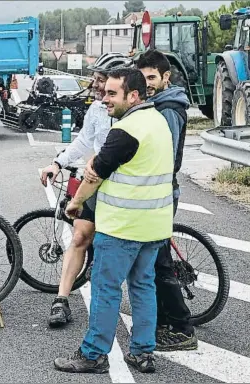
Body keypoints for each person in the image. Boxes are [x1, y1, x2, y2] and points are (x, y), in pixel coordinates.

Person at [53, 68, 174, 374]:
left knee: (106, 290)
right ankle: (143, 352)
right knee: (143, 287)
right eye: (104, 92)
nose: (104, 99)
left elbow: (95, 173)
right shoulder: (157, 121)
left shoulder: (125, 130)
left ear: (133, 95)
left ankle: (93, 354)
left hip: (122, 226)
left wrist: (75, 203)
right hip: (154, 226)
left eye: (111, 94)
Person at [39, 52, 132, 328]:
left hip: (126, 193)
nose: (96, 84)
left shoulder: (135, 112)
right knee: (79, 236)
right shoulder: (96, 110)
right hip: (97, 184)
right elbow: (82, 143)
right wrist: (57, 163)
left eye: (102, 80)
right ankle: (61, 300)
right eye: (98, 79)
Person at [135, 49, 197, 351]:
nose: (147, 83)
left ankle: (183, 329)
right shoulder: (155, 104)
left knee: (159, 263)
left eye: (152, 77)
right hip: (155, 193)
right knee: (153, 260)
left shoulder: (169, 108)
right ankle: (160, 319)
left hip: (160, 194)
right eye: (143, 77)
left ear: (165, 77)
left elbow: (165, 157)